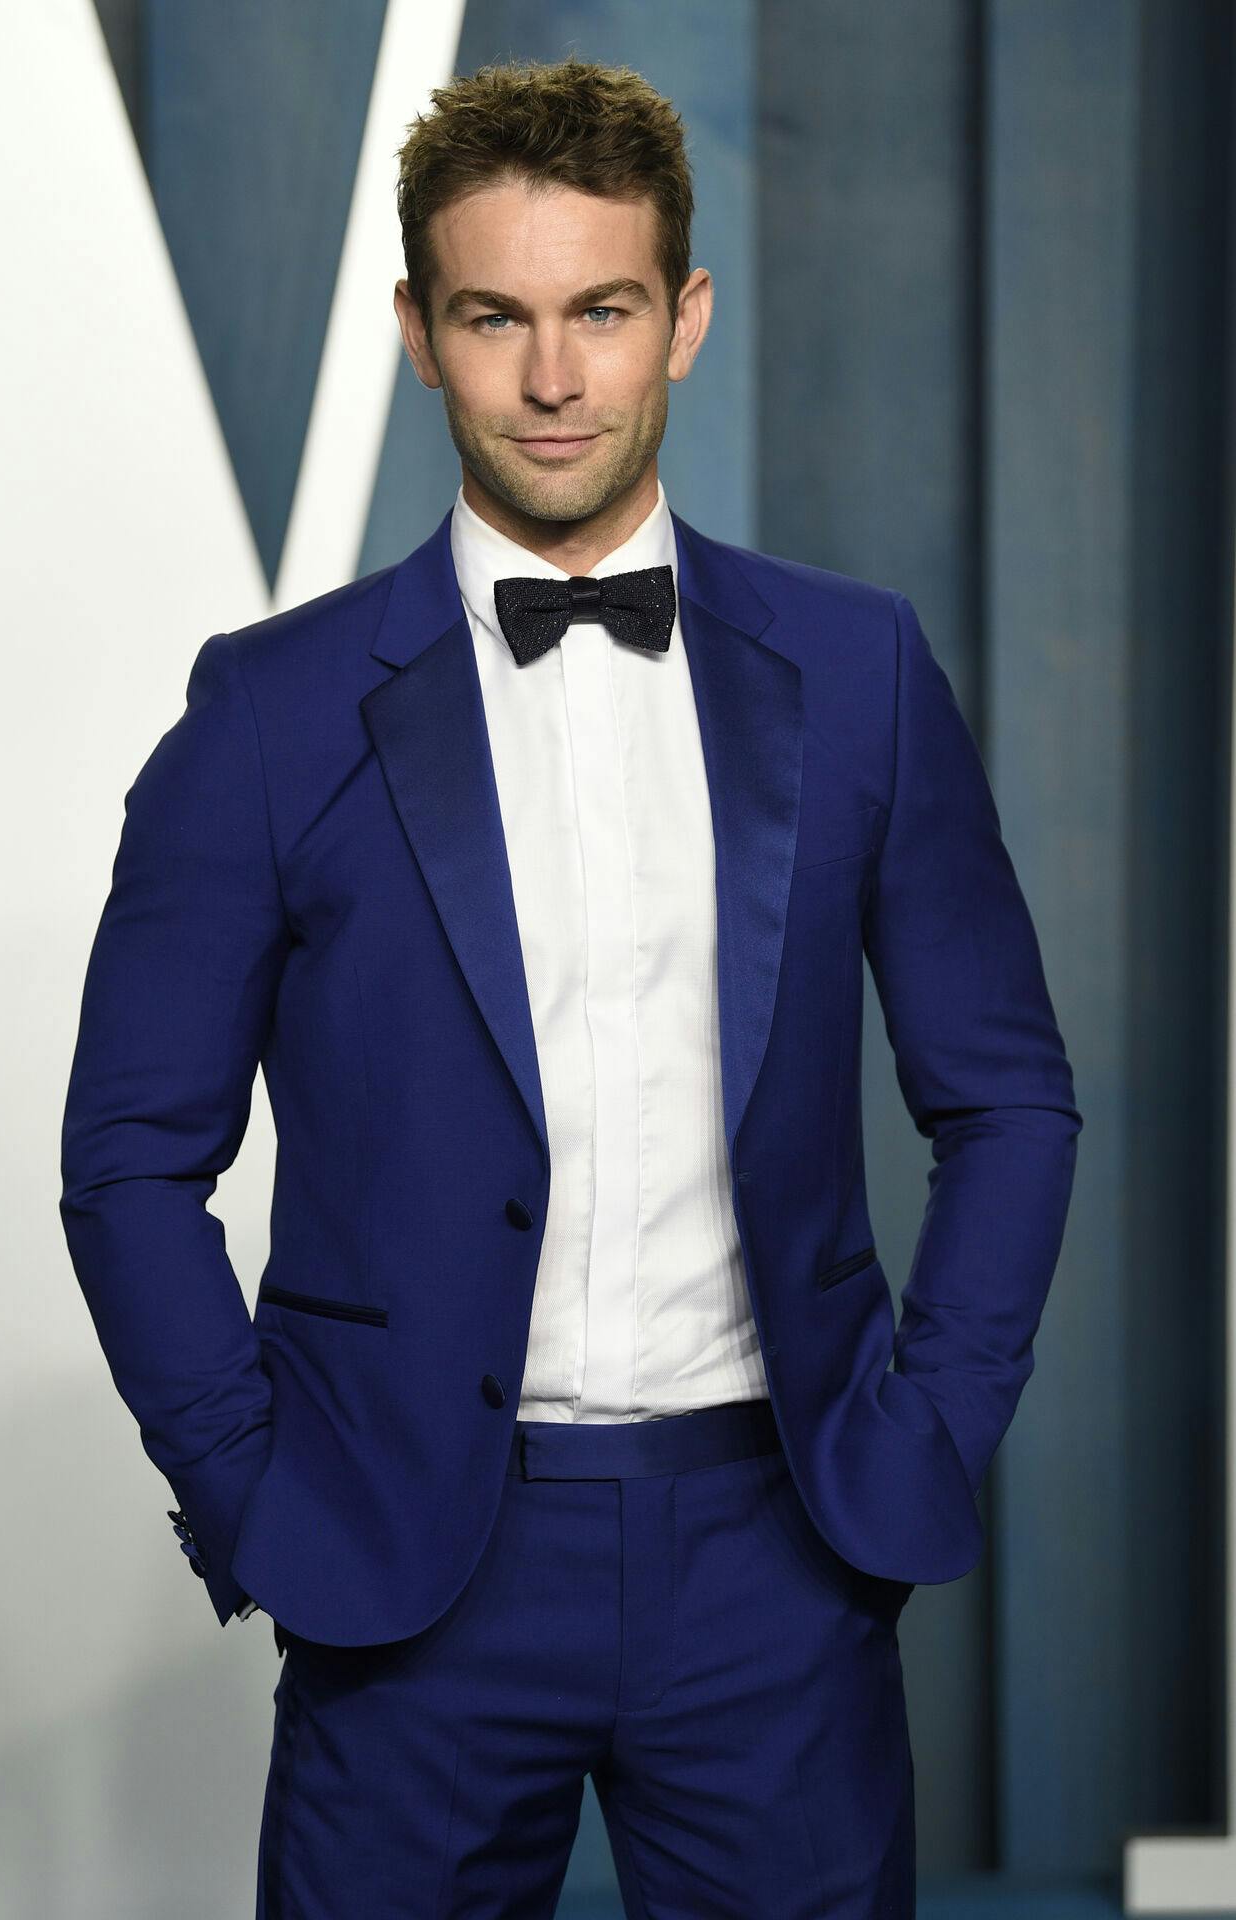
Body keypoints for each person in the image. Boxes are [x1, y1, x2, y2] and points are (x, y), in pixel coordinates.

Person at [58, 51, 1082, 1919]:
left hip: (779, 1543)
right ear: (416, 331)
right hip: (410, 1563)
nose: (552, 377)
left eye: (602, 310)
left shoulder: (855, 676)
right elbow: (129, 1155)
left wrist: (928, 1420)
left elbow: (1008, 1094)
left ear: (683, 318)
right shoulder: (272, 713)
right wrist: (259, 1490)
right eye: (495, 316)